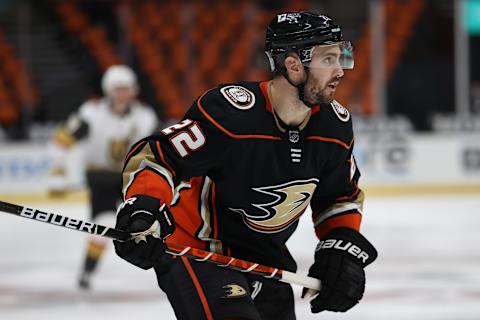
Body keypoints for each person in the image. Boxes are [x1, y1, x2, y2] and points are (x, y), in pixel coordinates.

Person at [114, 11, 377, 319]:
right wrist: (144, 207)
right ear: (293, 65)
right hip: (200, 250)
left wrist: (340, 245)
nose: (340, 71)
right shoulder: (231, 113)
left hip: (266, 259)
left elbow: (338, 197)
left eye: (341, 57)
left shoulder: (334, 127)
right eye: (329, 59)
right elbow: (158, 155)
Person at [48, 65, 158, 290]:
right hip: (100, 177)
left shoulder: (145, 116)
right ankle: (87, 271)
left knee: (153, 221)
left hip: (133, 176)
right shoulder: (91, 113)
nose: (123, 94)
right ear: (108, 90)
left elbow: (158, 151)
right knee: (105, 224)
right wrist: (58, 171)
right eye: (118, 88)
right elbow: (60, 142)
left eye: (126, 88)